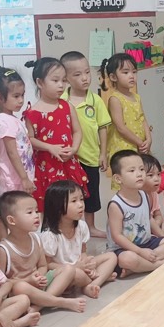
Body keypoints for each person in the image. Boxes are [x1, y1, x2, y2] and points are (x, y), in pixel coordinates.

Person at [0, 191, 89, 309]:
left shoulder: (36, 238)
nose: (36, 216)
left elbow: (43, 265)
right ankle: (58, 302)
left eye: (36, 211)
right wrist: (28, 280)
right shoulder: (3, 250)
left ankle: (40, 304)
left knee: (69, 269)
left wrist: (40, 276)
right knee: (20, 287)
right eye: (29, 212)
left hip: (39, 284)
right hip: (21, 291)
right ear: (12, 220)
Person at [24, 56, 88, 210]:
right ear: (40, 83)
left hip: (68, 163)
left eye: (64, 80)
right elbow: (30, 139)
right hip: (46, 166)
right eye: (55, 80)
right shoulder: (32, 113)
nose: (61, 85)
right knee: (51, 205)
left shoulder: (67, 106)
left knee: (72, 202)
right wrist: (49, 147)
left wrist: (74, 149)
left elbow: (77, 131)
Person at [60, 51, 111, 238]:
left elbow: (103, 128)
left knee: (91, 194)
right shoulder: (61, 101)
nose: (85, 78)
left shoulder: (95, 100)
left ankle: (90, 227)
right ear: (66, 78)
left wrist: (103, 153)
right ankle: (70, 227)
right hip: (68, 158)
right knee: (69, 194)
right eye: (78, 74)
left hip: (90, 156)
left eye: (87, 72)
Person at [106, 150, 164, 275]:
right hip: (124, 249)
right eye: (132, 171)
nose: (139, 174)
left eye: (141, 169)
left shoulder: (144, 195)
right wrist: (140, 252)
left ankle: (139, 267)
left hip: (146, 243)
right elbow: (117, 236)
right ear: (118, 179)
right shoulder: (116, 205)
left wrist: (163, 236)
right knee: (128, 259)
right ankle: (158, 264)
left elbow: (149, 218)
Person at [39, 180, 118, 293]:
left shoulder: (82, 226)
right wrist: (75, 267)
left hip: (80, 267)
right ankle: (98, 279)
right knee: (76, 273)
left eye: (81, 199)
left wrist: (87, 264)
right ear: (57, 206)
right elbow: (48, 265)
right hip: (64, 272)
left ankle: (92, 284)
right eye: (74, 201)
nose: (81, 205)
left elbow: (83, 252)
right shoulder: (50, 235)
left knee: (111, 256)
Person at [103, 53, 151, 189]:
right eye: (125, 72)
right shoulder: (115, 99)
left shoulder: (136, 97)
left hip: (139, 145)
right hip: (123, 146)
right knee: (126, 180)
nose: (131, 76)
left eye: (134, 72)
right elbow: (121, 127)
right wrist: (139, 142)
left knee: (140, 178)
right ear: (113, 77)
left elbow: (143, 119)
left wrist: (148, 138)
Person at [0, 64, 35, 198]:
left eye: (22, 95)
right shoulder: (4, 121)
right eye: (16, 96)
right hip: (11, 181)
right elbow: (12, 152)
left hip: (19, 179)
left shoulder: (12, 119)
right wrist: (24, 178)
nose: (21, 100)